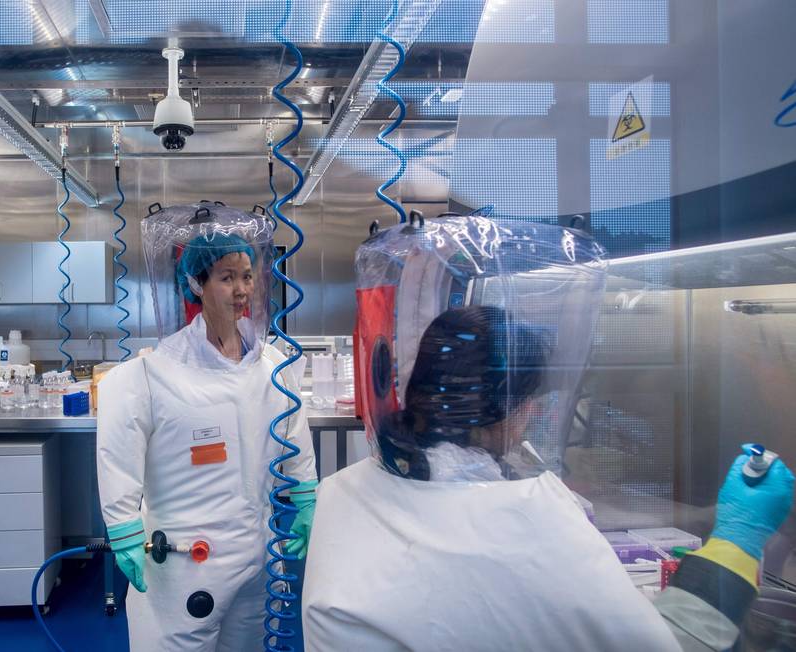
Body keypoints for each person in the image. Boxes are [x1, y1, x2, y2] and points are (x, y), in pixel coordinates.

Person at [302, 217, 795, 652]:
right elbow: (672, 643)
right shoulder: (525, 525)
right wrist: (738, 536)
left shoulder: (344, 489)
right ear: (517, 414)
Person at [97, 204, 317, 652]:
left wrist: (307, 496)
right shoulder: (152, 374)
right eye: (226, 277)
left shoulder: (273, 366)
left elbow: (293, 435)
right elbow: (118, 453)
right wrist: (122, 527)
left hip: (256, 555)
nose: (242, 290)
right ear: (196, 284)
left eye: (247, 276)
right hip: (184, 563)